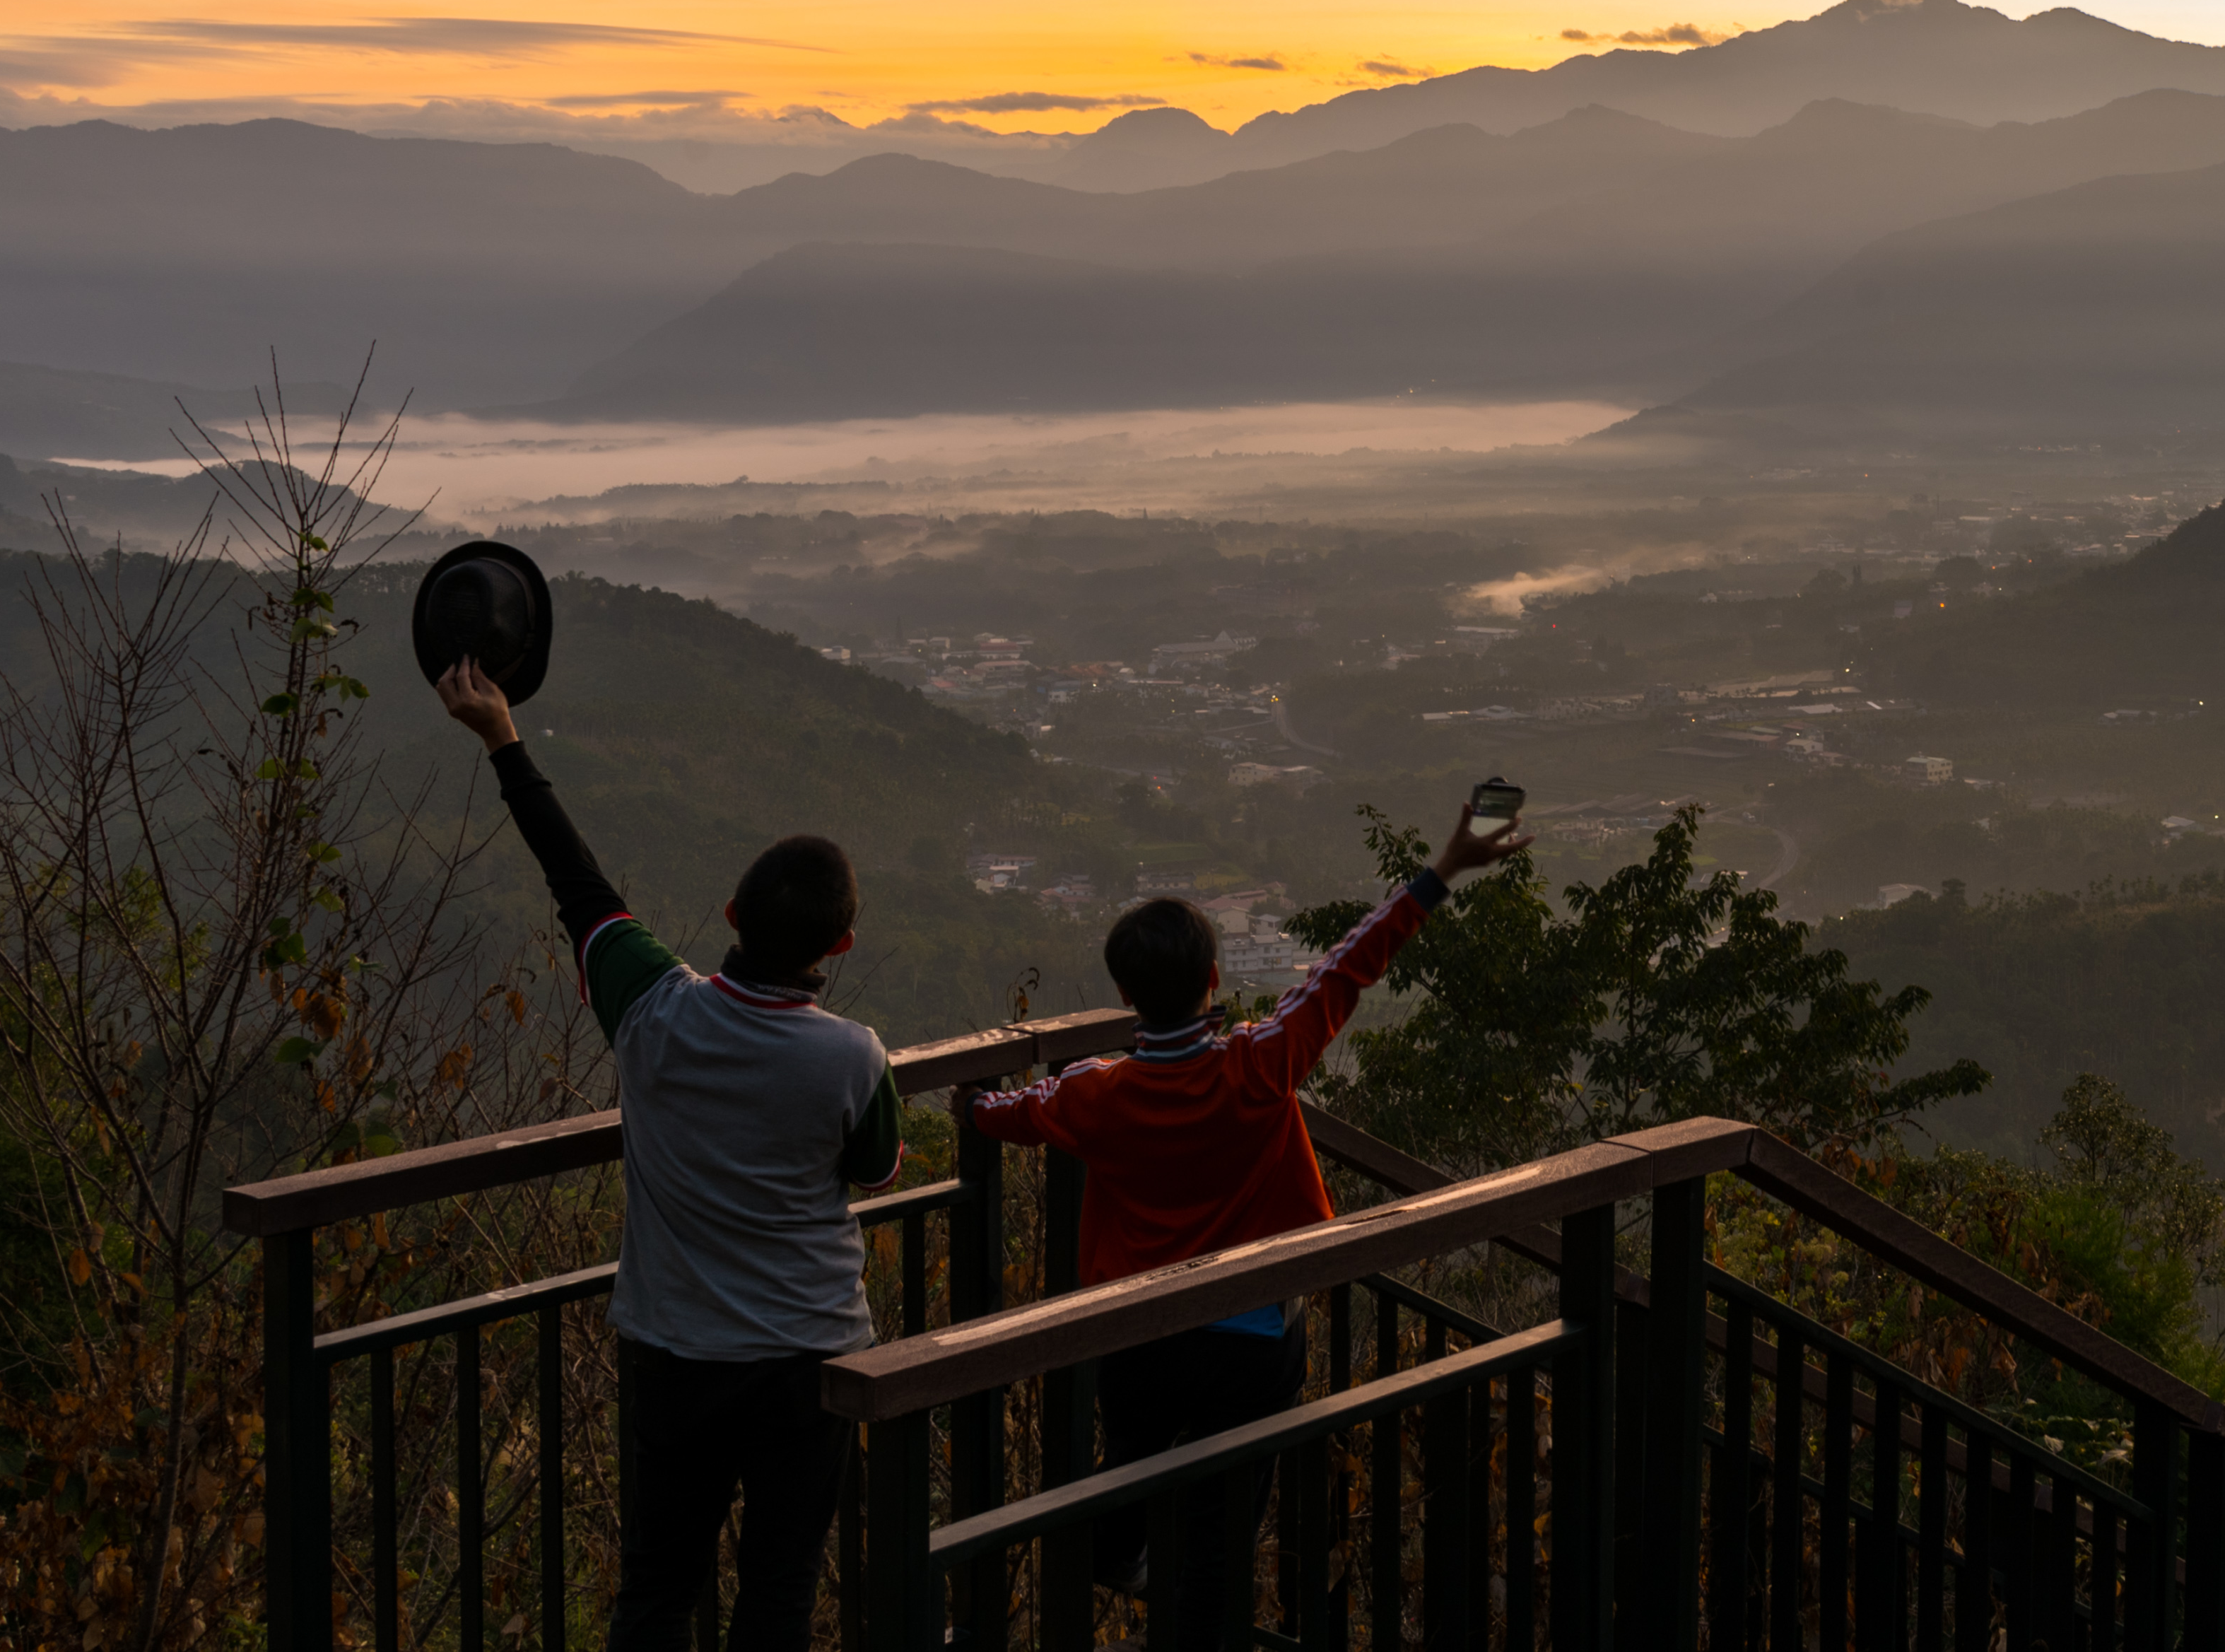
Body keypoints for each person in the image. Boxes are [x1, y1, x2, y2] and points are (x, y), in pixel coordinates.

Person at [436, 655, 901, 1652]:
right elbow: (875, 1171)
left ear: (731, 917)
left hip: (676, 1350)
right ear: (842, 946)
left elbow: (577, 883)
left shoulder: (649, 1007)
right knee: (779, 1587)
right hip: (809, 1355)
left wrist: (503, 739)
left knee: (657, 1583)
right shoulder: (853, 1056)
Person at [966, 792, 1532, 1595]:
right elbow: (1346, 966)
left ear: (1126, 996)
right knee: (1224, 1523)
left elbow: (1002, 1113)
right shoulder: (1261, 1063)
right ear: (1214, 978)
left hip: (1137, 1330)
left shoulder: (1090, 1093)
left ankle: (1114, 1554)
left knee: (1128, 1467)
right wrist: (1442, 869)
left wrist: (972, 1102)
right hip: (1253, 1332)